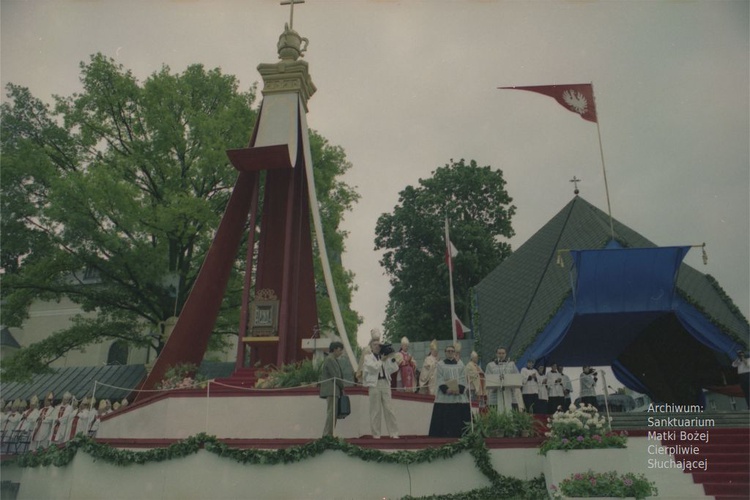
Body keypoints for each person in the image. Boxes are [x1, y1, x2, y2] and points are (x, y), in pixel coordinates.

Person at [428, 344, 471, 438]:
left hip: (458, 396)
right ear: (445, 353)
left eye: (452, 351)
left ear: (455, 353)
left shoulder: (460, 365)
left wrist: (459, 389)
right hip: (445, 396)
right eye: (448, 351)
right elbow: (439, 378)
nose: (450, 353)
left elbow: (463, 378)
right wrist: (446, 389)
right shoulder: (440, 364)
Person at [362, 335, 400, 439]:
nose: (377, 347)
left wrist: (392, 358)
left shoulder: (384, 356)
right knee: (375, 410)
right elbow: (373, 368)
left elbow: (393, 369)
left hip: (385, 383)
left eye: (378, 345)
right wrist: (382, 360)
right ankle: (376, 435)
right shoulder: (368, 358)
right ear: (370, 346)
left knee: (389, 409)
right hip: (374, 384)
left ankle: (394, 433)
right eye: (374, 345)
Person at [319, 340, 345, 437]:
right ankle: (327, 434)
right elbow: (336, 376)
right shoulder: (330, 359)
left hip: (334, 390)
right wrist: (342, 386)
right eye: (340, 350)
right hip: (331, 390)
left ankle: (329, 433)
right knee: (332, 413)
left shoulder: (332, 359)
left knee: (333, 413)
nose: (341, 352)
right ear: (334, 349)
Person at [485, 347, 521, 412]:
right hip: (495, 395)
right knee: (495, 417)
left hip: (510, 394)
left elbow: (517, 377)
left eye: (503, 353)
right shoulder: (490, 365)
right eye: (499, 353)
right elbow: (487, 379)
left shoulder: (511, 364)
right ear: (496, 354)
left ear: (505, 354)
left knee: (513, 416)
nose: (501, 355)